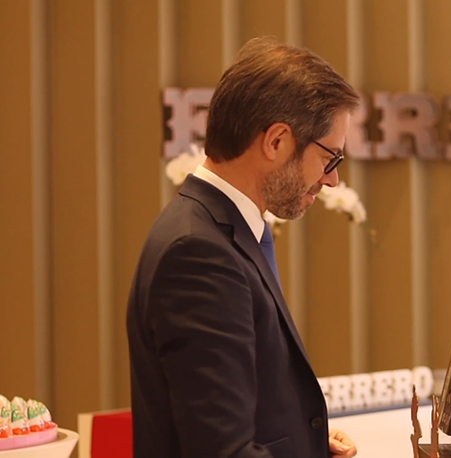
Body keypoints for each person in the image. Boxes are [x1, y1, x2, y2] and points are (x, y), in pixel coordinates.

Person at [127, 37, 360, 458]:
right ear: (277, 141)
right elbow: (221, 449)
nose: (332, 180)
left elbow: (238, 407)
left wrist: (304, 444)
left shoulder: (226, 229)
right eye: (331, 158)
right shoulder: (198, 253)